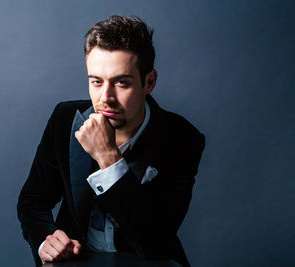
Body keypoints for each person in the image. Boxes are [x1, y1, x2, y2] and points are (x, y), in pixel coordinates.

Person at [17, 15, 205, 267]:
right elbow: (32, 201)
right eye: (96, 81)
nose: (106, 98)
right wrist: (45, 240)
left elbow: (154, 241)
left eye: (121, 82)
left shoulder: (182, 138)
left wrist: (108, 158)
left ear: (149, 82)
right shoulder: (64, 120)